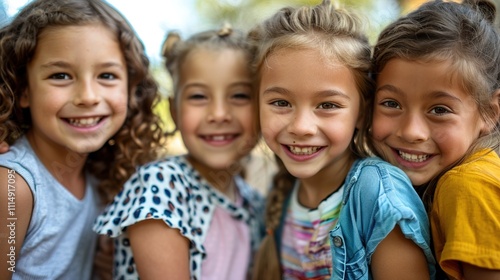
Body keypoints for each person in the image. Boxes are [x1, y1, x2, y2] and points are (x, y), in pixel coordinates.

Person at [248, 1, 436, 279]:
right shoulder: (286, 198)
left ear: (362, 113)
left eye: (327, 105)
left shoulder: (375, 193)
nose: (301, 127)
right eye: (280, 102)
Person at [0, 0, 164, 279]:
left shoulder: (101, 176)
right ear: (24, 89)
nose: (88, 96)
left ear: (130, 88)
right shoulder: (14, 188)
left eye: (107, 75)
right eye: (61, 75)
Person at [93, 24, 265, 280]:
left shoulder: (252, 202)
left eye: (239, 95)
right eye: (198, 96)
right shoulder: (161, 186)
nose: (218, 114)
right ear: (174, 111)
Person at [371, 0, 500, 279]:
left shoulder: (467, 185)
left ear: (489, 113)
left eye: (439, 110)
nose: (411, 131)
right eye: (391, 103)